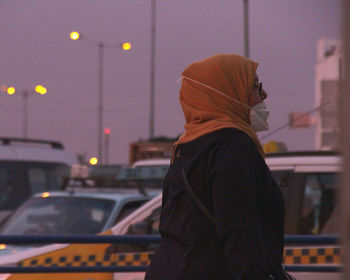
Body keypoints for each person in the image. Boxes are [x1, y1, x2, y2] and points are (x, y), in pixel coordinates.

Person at [145, 54, 295, 280]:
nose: (264, 94)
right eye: (255, 86)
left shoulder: (186, 146)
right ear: (229, 93)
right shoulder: (233, 147)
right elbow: (239, 231)